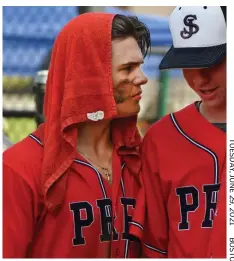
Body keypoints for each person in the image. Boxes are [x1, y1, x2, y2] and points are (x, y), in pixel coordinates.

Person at [3, 12, 150, 258]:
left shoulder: (139, 159)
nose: (142, 78)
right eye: (128, 68)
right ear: (90, 77)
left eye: (139, 66)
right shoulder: (19, 168)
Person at [130, 6, 226, 258]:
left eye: (213, 62)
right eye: (188, 64)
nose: (199, 79)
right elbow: (154, 243)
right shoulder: (162, 139)